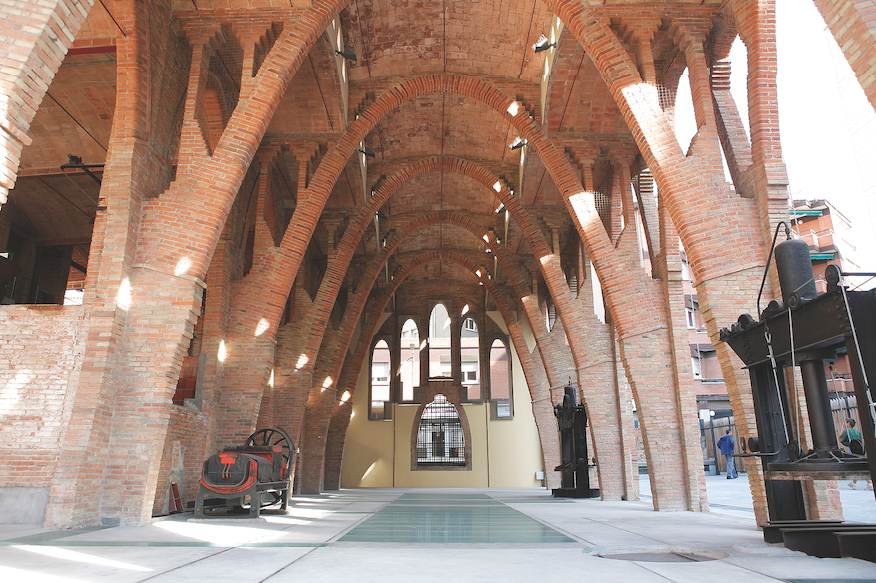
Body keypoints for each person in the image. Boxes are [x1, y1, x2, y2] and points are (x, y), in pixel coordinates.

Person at [839, 418, 872, 490]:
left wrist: (842, 429)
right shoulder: (858, 432)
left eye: (845, 422)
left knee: (856, 466)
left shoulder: (846, 431)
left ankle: (869, 483)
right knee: (859, 464)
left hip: (852, 449)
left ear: (848, 424)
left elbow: (840, 439)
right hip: (860, 449)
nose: (843, 424)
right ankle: (853, 483)